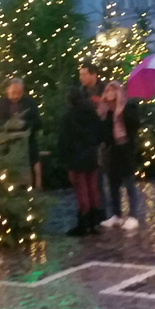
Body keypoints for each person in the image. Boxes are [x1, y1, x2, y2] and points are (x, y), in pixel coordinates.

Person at [59, 64, 107, 236]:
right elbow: (100, 133)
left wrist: (64, 158)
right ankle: (95, 221)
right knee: (93, 188)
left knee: (82, 190)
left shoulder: (69, 117)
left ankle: (84, 222)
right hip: (91, 155)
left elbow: (64, 140)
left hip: (76, 158)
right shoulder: (91, 113)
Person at [99, 81, 142, 230]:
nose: (110, 93)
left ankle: (134, 215)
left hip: (126, 147)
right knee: (113, 183)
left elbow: (135, 125)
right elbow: (103, 132)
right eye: (108, 90)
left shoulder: (127, 106)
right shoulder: (105, 111)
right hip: (112, 150)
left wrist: (120, 113)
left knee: (129, 182)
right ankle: (116, 215)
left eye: (113, 90)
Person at [0, 77, 42, 190]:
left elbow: (38, 122)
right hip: (6, 144)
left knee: (34, 159)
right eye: (13, 92)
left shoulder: (29, 103)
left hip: (27, 142)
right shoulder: (0, 105)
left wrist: (25, 124)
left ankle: (36, 187)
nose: (16, 96)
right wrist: (7, 125)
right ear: (7, 91)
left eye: (19, 93)